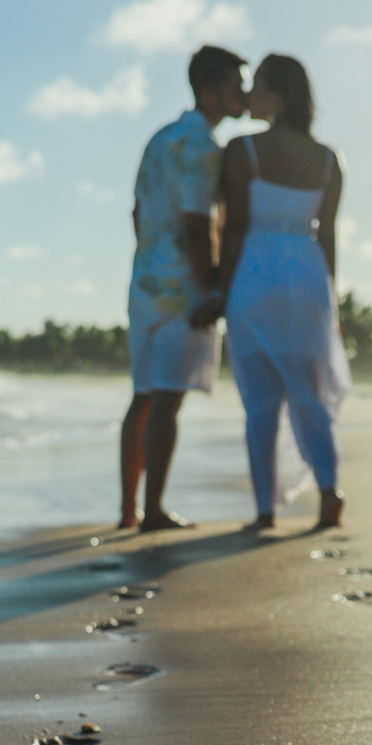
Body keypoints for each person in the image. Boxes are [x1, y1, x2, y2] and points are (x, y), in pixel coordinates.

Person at [206, 54, 349, 532]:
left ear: (278, 97)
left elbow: (232, 228)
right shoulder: (328, 160)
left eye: (259, 88)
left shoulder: (242, 150)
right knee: (310, 392)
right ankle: (328, 489)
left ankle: (265, 509)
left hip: (254, 271)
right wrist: (331, 302)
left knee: (260, 399)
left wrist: (220, 291)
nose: (250, 96)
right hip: (308, 274)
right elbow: (328, 236)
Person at [119, 44, 247, 530]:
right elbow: (198, 224)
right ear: (210, 93)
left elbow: (137, 211)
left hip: (144, 281)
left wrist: (151, 256)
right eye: (236, 87)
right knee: (167, 401)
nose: (243, 95)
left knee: (142, 396)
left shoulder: (160, 138)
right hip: (182, 288)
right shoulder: (203, 147)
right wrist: (211, 286)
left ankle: (128, 510)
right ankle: (153, 510)